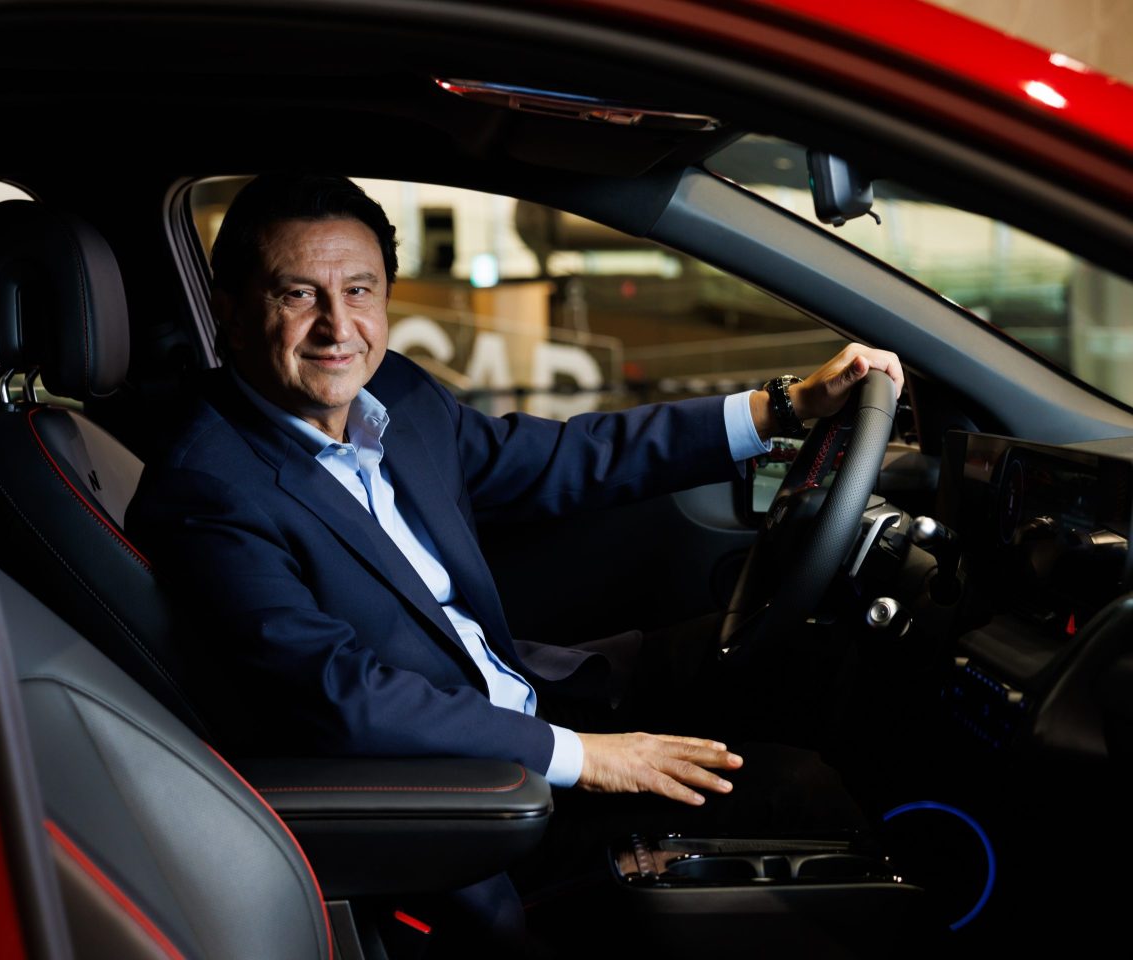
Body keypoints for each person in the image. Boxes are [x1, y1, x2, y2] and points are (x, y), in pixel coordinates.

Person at [125, 172, 902, 943]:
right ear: (228, 314)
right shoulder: (208, 488)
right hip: (468, 804)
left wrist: (784, 407)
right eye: (297, 295)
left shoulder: (393, 395)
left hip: (526, 700)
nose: (337, 326)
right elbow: (341, 696)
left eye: (359, 290)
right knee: (799, 793)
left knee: (805, 654)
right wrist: (583, 757)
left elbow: (565, 458)